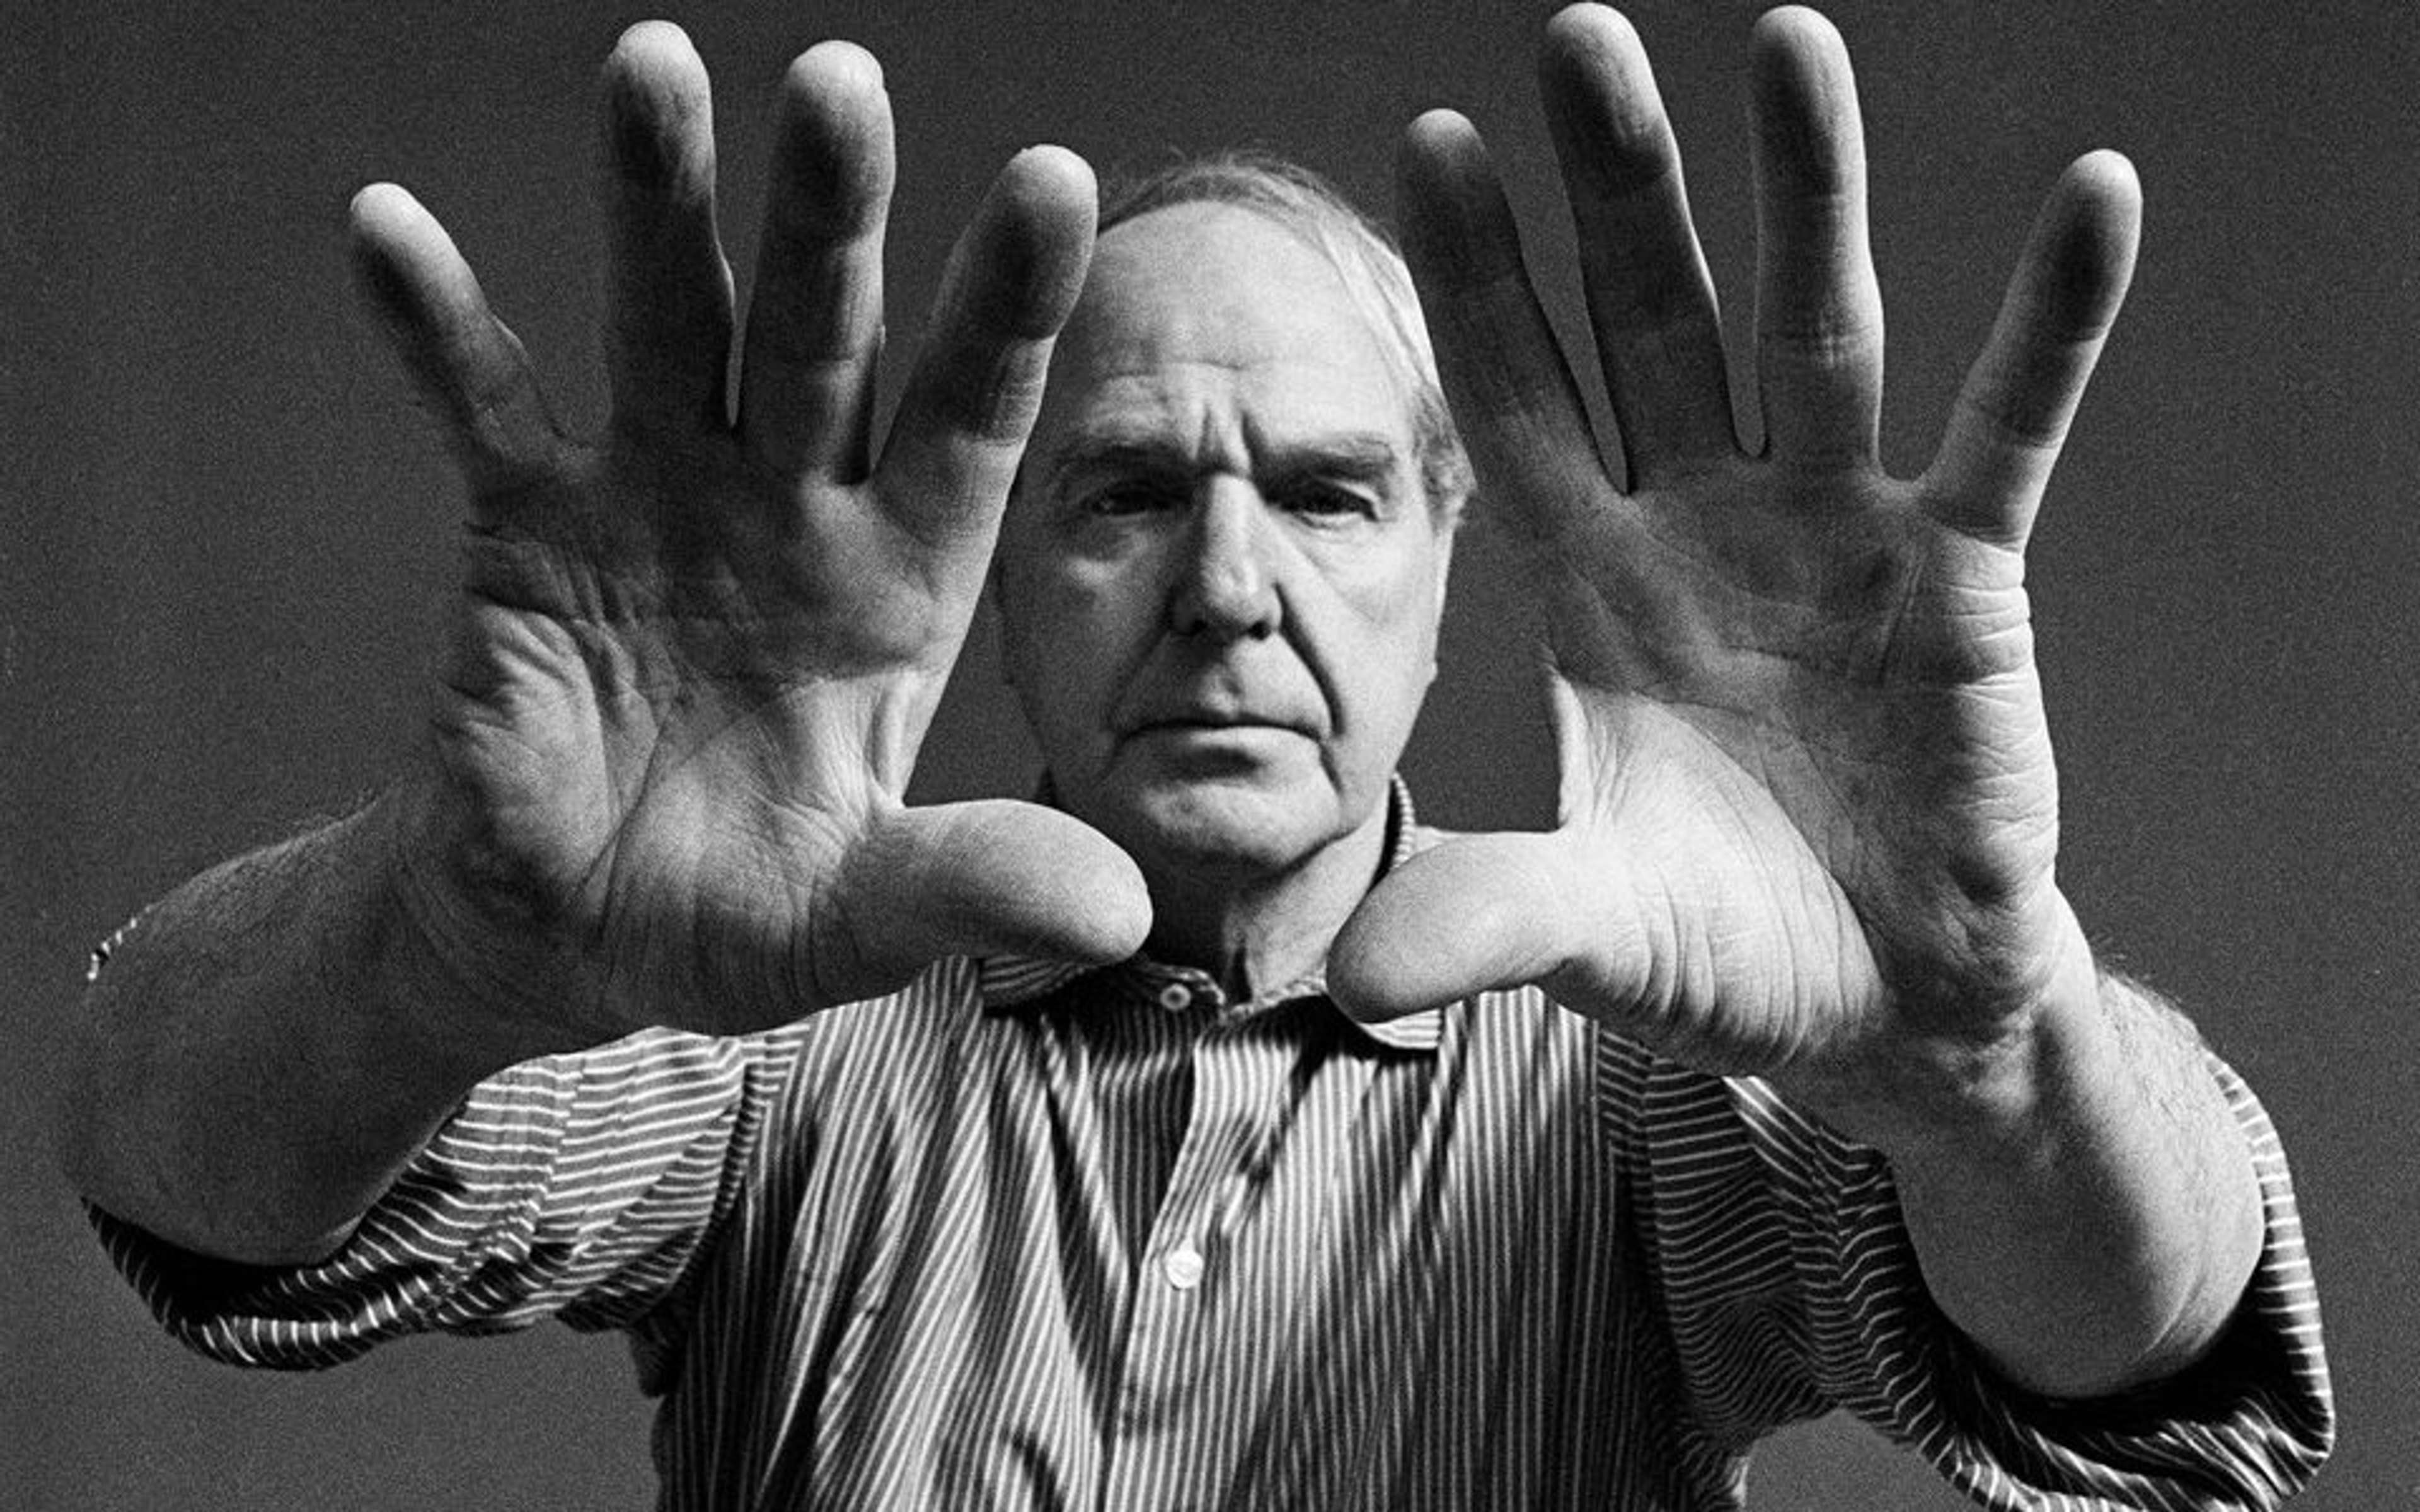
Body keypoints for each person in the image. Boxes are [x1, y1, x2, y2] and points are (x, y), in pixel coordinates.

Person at [58, 5, 2331, 1508]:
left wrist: (1992, 1055)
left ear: (1455, 561)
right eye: (1132, 494)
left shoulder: (1647, 1081)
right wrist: (432, 943)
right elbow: (186, 1174)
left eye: (1329, 494)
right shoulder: (775, 1036)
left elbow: (2140, 1359)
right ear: (993, 564)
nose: (1233, 587)